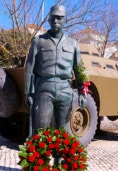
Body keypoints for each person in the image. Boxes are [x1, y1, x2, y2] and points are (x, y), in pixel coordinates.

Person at [25, 4, 87, 134]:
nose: (55, 21)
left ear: (65, 20)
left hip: (65, 89)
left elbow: (79, 69)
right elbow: (29, 68)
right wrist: (29, 92)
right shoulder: (38, 41)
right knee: (41, 130)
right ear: (48, 20)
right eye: (52, 18)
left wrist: (82, 92)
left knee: (62, 132)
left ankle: (60, 155)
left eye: (59, 18)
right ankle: (42, 155)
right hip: (44, 89)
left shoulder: (73, 44)